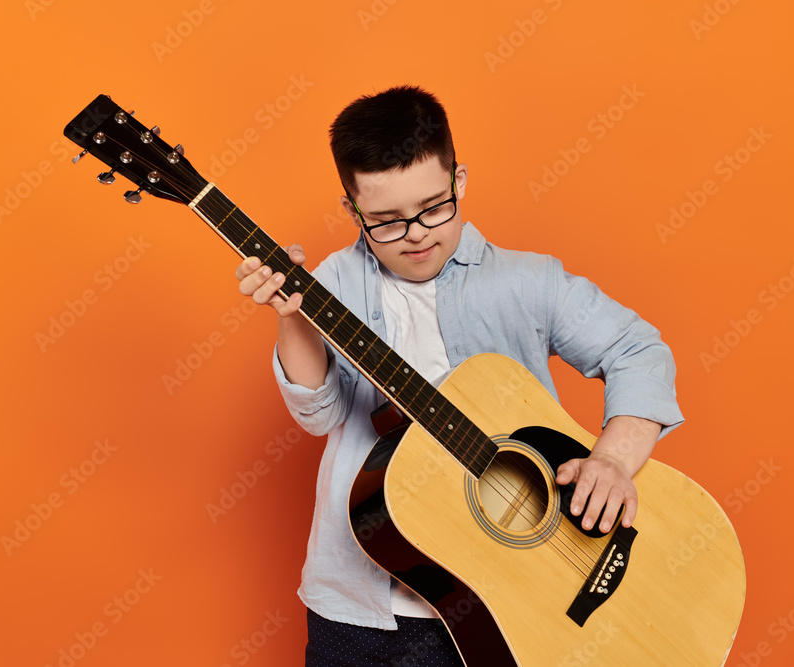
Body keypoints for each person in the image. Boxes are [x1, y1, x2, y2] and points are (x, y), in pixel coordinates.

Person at [234, 85, 683, 666]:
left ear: (459, 182)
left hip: (516, 597)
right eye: (387, 221)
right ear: (352, 211)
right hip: (359, 605)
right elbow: (319, 415)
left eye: (432, 208)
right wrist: (291, 318)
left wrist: (615, 460)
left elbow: (639, 350)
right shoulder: (332, 285)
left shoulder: (528, 281)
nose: (416, 232)